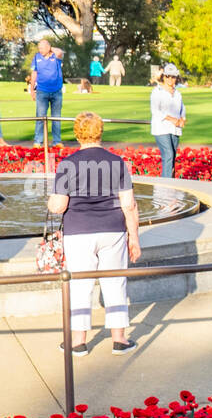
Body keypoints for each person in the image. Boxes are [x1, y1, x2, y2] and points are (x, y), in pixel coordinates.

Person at [47, 112, 140, 356]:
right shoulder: (117, 162)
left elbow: (59, 206)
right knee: (115, 282)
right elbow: (129, 204)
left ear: (77, 134)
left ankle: (78, 342)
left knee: (79, 285)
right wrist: (135, 238)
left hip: (78, 231)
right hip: (113, 229)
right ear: (100, 132)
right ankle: (119, 339)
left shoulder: (68, 164)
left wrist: (49, 203)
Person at [150, 63, 185, 178]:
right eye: (167, 76)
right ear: (163, 77)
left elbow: (182, 108)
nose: (170, 79)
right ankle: (166, 185)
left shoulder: (177, 93)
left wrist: (182, 119)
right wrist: (172, 119)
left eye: (173, 77)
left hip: (175, 128)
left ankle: (170, 183)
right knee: (168, 154)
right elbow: (155, 110)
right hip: (161, 127)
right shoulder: (157, 91)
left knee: (172, 155)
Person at [32, 38, 66, 146]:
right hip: (42, 91)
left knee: (56, 117)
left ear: (48, 47)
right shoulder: (37, 57)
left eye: (42, 48)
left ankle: (57, 141)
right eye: (39, 48)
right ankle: (38, 141)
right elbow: (34, 73)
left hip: (56, 91)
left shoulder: (55, 56)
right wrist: (32, 89)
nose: (40, 50)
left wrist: (50, 48)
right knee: (40, 117)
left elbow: (60, 52)